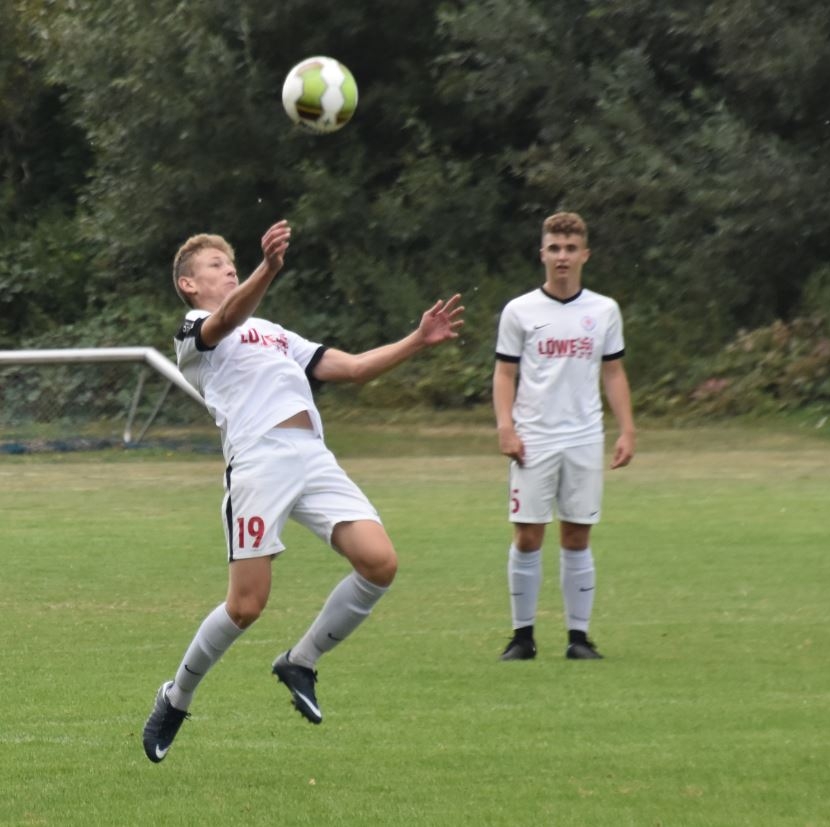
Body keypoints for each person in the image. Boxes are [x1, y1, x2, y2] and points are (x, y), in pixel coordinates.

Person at [142, 219, 464, 763]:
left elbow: (353, 368)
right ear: (188, 284)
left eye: (233, 264)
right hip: (258, 460)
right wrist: (268, 268)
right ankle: (177, 697)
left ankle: (301, 661)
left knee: (379, 564)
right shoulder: (194, 331)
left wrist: (417, 340)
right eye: (217, 265)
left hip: (313, 456)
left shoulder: (274, 331)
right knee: (246, 606)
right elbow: (227, 318)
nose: (230, 269)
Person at [493, 211, 634, 662]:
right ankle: (522, 637)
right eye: (554, 248)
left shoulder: (604, 310)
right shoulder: (519, 310)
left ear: (585, 255)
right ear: (542, 254)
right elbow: (504, 373)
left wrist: (627, 428)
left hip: (585, 437)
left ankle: (579, 638)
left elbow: (613, 372)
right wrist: (505, 426)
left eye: (571, 249)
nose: (562, 257)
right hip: (533, 437)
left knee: (577, 535)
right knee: (528, 536)